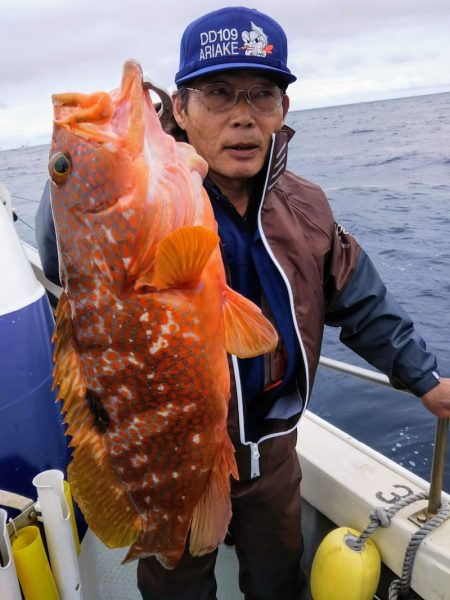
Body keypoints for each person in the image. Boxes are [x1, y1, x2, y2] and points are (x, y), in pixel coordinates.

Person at [35, 6, 450, 600]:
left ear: (284, 111)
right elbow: (71, 254)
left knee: (278, 574)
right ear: (178, 110)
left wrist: (423, 377)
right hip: (169, 457)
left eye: (262, 95)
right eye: (218, 95)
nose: (243, 118)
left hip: (275, 456)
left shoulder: (307, 207)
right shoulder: (159, 197)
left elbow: (360, 299)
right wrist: (83, 172)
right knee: (176, 579)